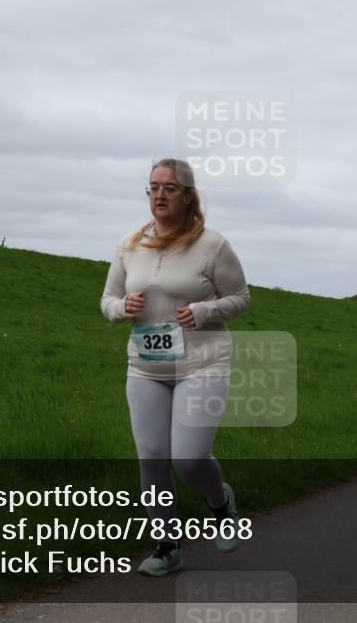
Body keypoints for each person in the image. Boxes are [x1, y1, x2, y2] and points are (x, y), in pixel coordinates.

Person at [101, 158, 251, 576]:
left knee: (188, 458)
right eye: (153, 187)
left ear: (188, 195)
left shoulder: (212, 245)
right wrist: (120, 308)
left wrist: (204, 311)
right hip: (147, 365)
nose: (160, 195)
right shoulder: (129, 244)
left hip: (202, 363)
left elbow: (241, 298)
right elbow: (107, 298)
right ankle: (167, 546)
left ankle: (220, 503)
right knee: (151, 457)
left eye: (169, 188)